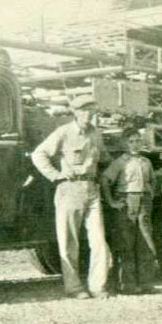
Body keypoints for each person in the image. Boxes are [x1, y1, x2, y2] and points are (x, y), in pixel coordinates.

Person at [31, 94, 110, 299]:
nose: (88, 114)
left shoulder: (96, 134)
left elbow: (103, 159)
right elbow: (38, 154)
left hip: (91, 188)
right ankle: (74, 288)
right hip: (70, 189)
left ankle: (97, 286)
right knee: (69, 242)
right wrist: (56, 176)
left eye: (91, 111)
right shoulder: (63, 132)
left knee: (99, 241)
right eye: (84, 110)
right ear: (75, 112)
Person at [100, 125, 157, 294]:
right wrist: (111, 202)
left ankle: (146, 284)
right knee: (126, 243)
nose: (135, 144)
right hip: (126, 201)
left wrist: (149, 194)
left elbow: (152, 181)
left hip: (144, 201)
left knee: (146, 241)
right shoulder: (119, 162)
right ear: (124, 144)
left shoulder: (146, 162)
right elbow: (104, 180)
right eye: (131, 141)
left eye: (138, 140)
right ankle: (128, 285)